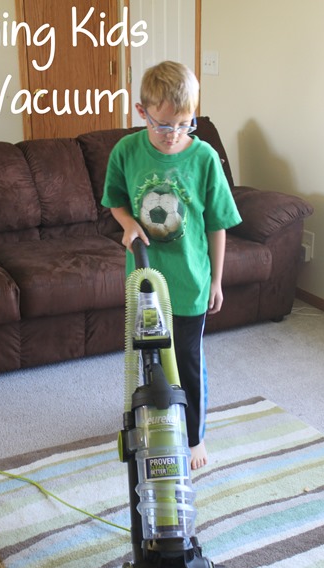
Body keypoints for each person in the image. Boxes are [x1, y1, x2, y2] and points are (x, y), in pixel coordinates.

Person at [102, 61, 241, 469]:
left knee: (187, 361)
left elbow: (217, 224)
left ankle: (194, 435)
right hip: (144, 280)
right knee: (150, 356)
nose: (173, 134)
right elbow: (115, 200)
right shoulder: (126, 152)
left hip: (190, 282)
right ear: (141, 111)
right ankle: (157, 416)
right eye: (163, 125)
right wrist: (127, 224)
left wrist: (216, 280)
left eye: (184, 124)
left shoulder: (204, 158)